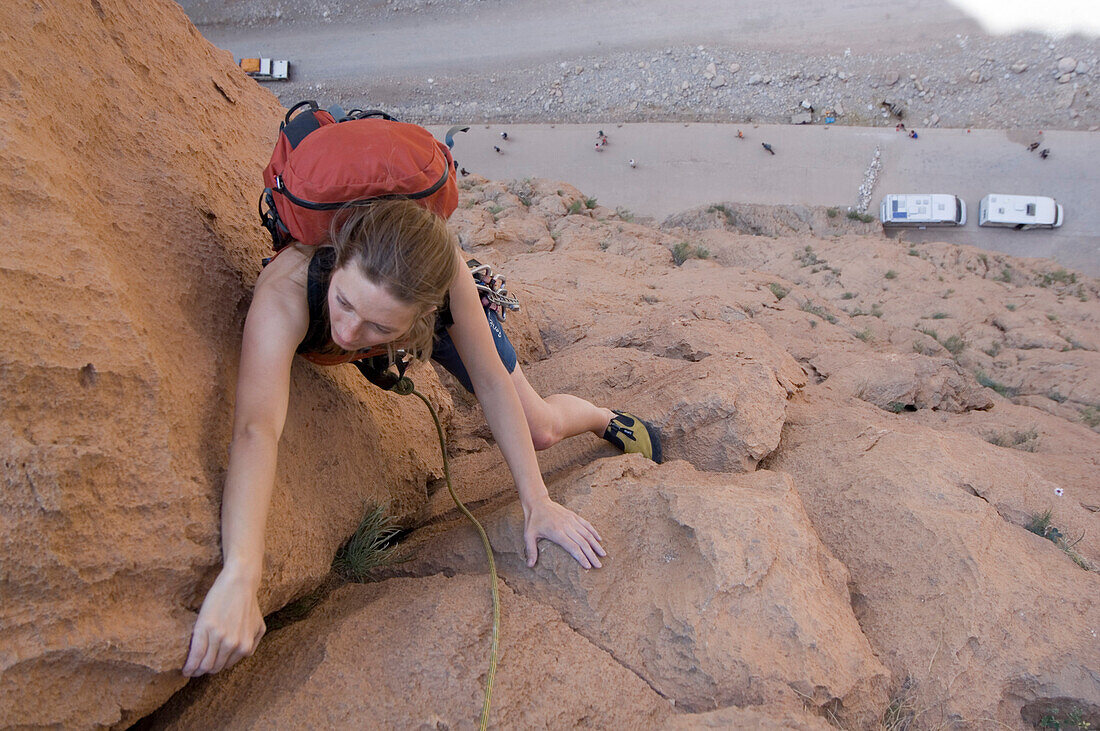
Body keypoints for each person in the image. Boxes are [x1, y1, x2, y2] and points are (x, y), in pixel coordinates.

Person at [182, 200, 662, 677]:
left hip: (439, 319)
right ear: (339, 259)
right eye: (344, 302)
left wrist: (538, 501)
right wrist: (240, 574)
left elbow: (492, 382)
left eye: (377, 326)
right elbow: (255, 429)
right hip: (369, 294)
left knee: (541, 428)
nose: (348, 331)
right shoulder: (286, 290)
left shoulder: (445, 279)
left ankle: (601, 417)